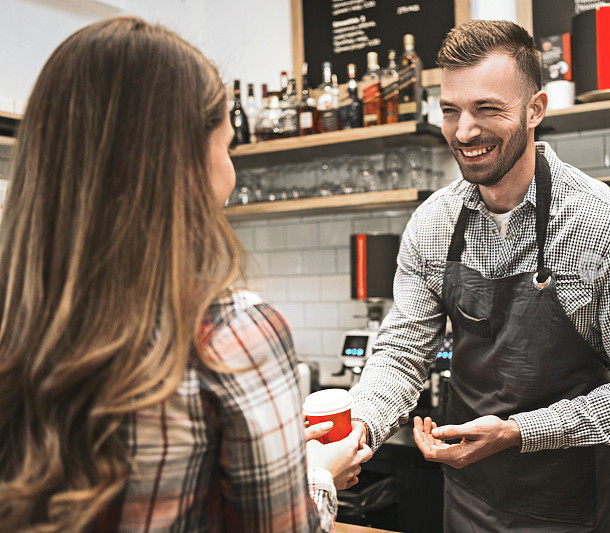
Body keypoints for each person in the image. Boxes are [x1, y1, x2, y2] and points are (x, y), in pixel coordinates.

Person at [0, 17, 370, 532]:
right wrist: (318, 476)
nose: (231, 172)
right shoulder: (235, 334)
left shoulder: (16, 322)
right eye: (227, 146)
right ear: (186, 164)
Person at [350, 20, 610, 532]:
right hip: (467, 499)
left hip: (569, 505)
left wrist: (519, 432)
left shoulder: (606, 224)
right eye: (450, 111)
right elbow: (401, 354)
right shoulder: (433, 222)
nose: (464, 132)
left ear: (535, 110)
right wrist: (360, 428)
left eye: (487, 108)